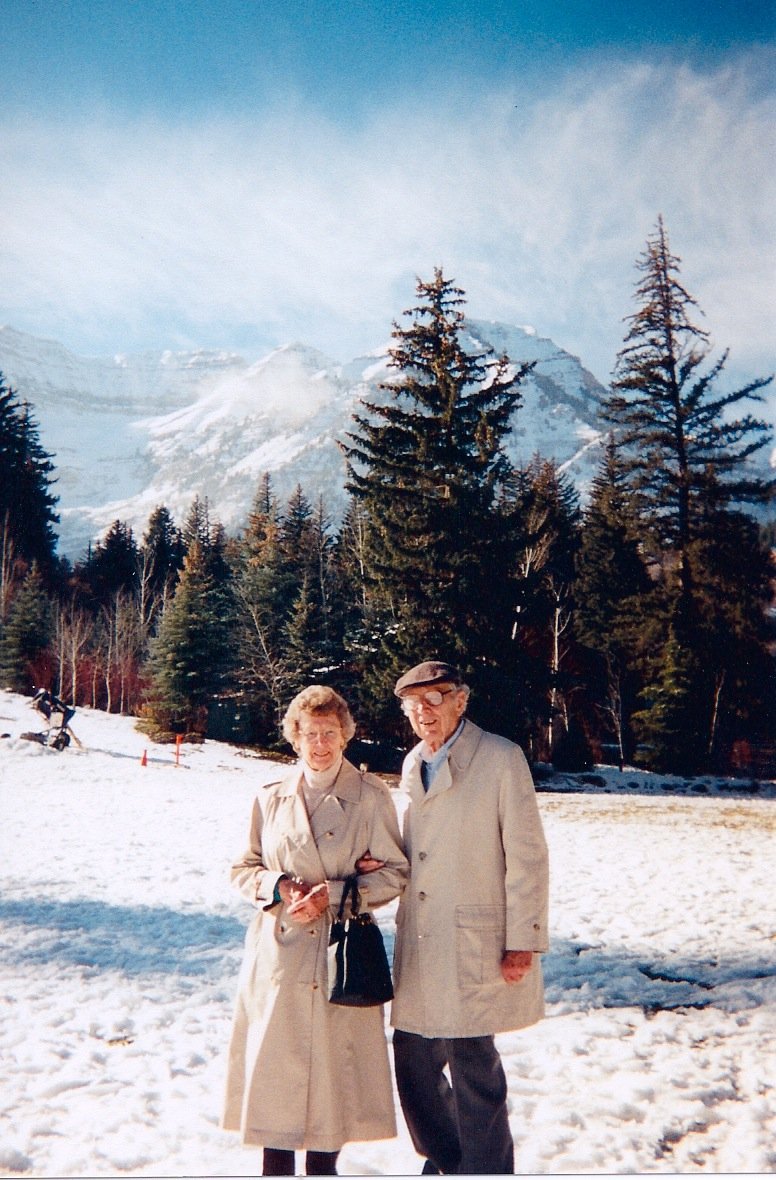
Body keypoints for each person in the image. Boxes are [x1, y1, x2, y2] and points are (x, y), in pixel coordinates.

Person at [222, 684, 409, 1176]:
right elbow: (243, 868)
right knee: (276, 1080)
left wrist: (341, 892)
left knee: (332, 1080)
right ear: (295, 737)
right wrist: (279, 885)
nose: (320, 744)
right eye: (310, 733)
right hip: (278, 958)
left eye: (330, 733)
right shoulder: (270, 798)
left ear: (345, 736)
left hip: (340, 956)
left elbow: (394, 872)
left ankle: (324, 1169)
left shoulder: (371, 796)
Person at [390, 660, 549, 1175]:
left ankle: (486, 1170)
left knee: (473, 1066)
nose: (423, 712)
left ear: (461, 700)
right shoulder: (414, 762)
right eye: (413, 704)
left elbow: (527, 856)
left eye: (434, 700)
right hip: (422, 937)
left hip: (478, 939)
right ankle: (447, 1158)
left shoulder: (501, 758)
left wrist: (523, 938)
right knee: (412, 1057)